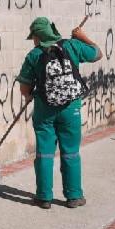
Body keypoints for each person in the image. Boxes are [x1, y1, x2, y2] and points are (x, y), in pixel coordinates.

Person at [16, 17, 102, 210]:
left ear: (38, 36)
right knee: (71, 152)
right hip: (71, 108)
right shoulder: (72, 46)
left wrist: (29, 97)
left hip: (44, 110)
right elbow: (97, 53)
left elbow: (24, 86)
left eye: (34, 38)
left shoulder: (34, 55)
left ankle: (44, 197)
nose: (34, 41)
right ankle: (74, 196)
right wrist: (82, 37)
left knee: (44, 154)